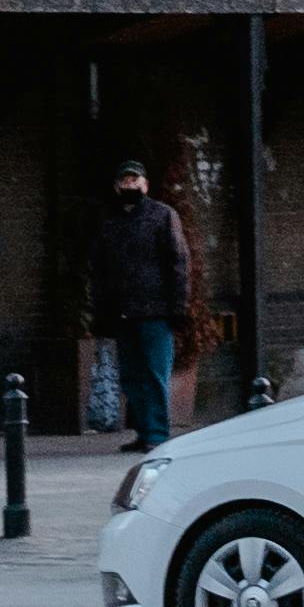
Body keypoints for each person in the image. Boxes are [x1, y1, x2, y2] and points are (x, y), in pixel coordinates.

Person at [91, 159, 193, 452]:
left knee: (154, 373)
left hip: (155, 310)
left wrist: (178, 307)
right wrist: (102, 312)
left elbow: (178, 262)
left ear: (145, 185)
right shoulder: (110, 223)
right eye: (125, 181)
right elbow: (101, 270)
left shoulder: (162, 216)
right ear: (116, 186)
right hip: (123, 312)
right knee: (131, 376)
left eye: (135, 180)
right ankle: (143, 432)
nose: (130, 185)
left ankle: (158, 434)